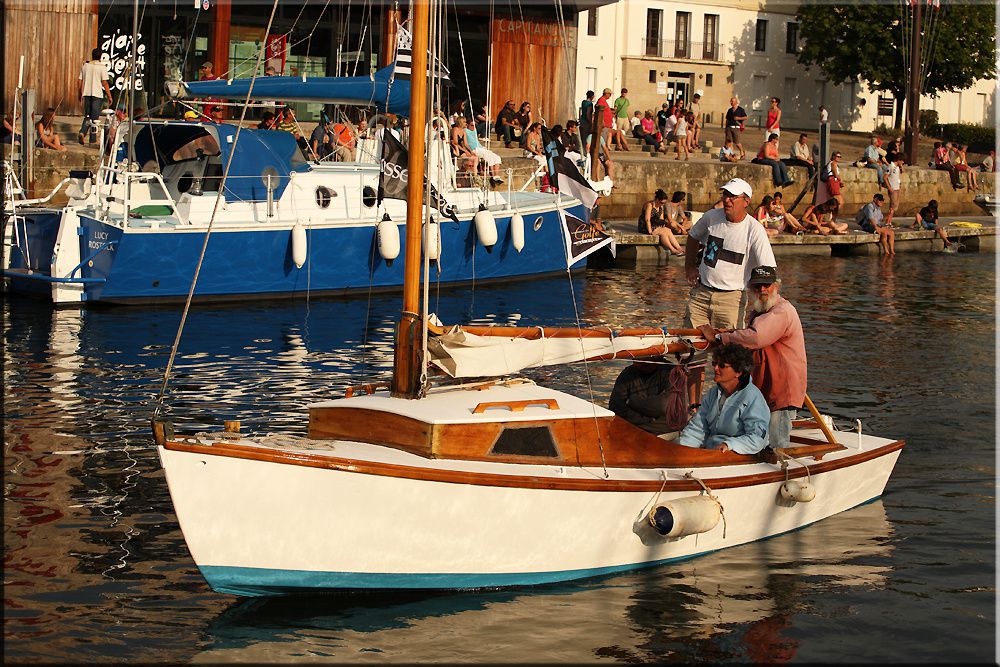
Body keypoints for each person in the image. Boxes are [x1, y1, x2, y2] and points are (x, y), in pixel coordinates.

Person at [683, 177, 777, 409]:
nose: (727, 200)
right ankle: (693, 408)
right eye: (725, 194)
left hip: (732, 298)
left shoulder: (754, 230)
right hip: (702, 292)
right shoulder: (711, 218)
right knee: (692, 353)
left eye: (733, 196)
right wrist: (689, 267)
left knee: (728, 359)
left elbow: (768, 270)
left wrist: (764, 304)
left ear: (746, 201)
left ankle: (727, 408)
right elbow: (693, 236)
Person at [696, 266, 807, 450]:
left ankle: (783, 476)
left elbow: (755, 337)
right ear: (750, 289)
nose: (762, 290)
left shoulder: (781, 312)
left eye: (766, 285)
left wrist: (718, 338)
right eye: (757, 287)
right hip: (766, 387)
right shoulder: (759, 312)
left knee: (776, 447)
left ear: (776, 287)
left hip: (781, 391)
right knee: (761, 441)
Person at [677, 343, 770, 455]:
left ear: (738, 372)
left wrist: (729, 445)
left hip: (735, 456)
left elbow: (758, 438)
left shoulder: (752, 397)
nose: (715, 368)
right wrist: (681, 449)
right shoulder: (713, 394)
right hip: (711, 454)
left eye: (721, 365)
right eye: (714, 363)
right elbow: (697, 428)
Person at [608, 360, 687, 436]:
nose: (643, 362)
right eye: (639, 359)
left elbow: (663, 406)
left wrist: (632, 401)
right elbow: (615, 406)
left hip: (665, 427)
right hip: (636, 425)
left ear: (657, 357)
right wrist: (644, 419)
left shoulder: (672, 372)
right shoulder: (627, 373)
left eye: (647, 358)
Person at [77, 47, 112, 145]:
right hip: (97, 94)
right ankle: (92, 139)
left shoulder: (85, 66)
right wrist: (109, 96)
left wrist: (80, 93)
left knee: (88, 116)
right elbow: (104, 83)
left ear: (92, 56)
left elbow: (79, 81)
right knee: (95, 119)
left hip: (87, 94)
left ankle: (82, 132)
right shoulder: (102, 67)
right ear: (100, 56)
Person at [638, 188, 684, 255]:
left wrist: (663, 227)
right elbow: (647, 220)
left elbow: (661, 219)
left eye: (664, 203)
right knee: (663, 232)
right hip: (646, 226)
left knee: (667, 230)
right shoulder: (649, 205)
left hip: (655, 225)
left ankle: (679, 248)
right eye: (662, 202)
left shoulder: (661, 207)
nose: (663, 204)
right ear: (657, 199)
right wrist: (650, 232)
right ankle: (672, 249)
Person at [463, 117, 503, 186]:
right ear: (467, 125)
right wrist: (470, 151)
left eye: (474, 125)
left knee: (497, 157)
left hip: (481, 148)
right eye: (472, 125)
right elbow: (465, 143)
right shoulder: (465, 131)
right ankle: (493, 176)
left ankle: (496, 176)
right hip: (475, 149)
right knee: (488, 156)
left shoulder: (474, 130)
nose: (473, 127)